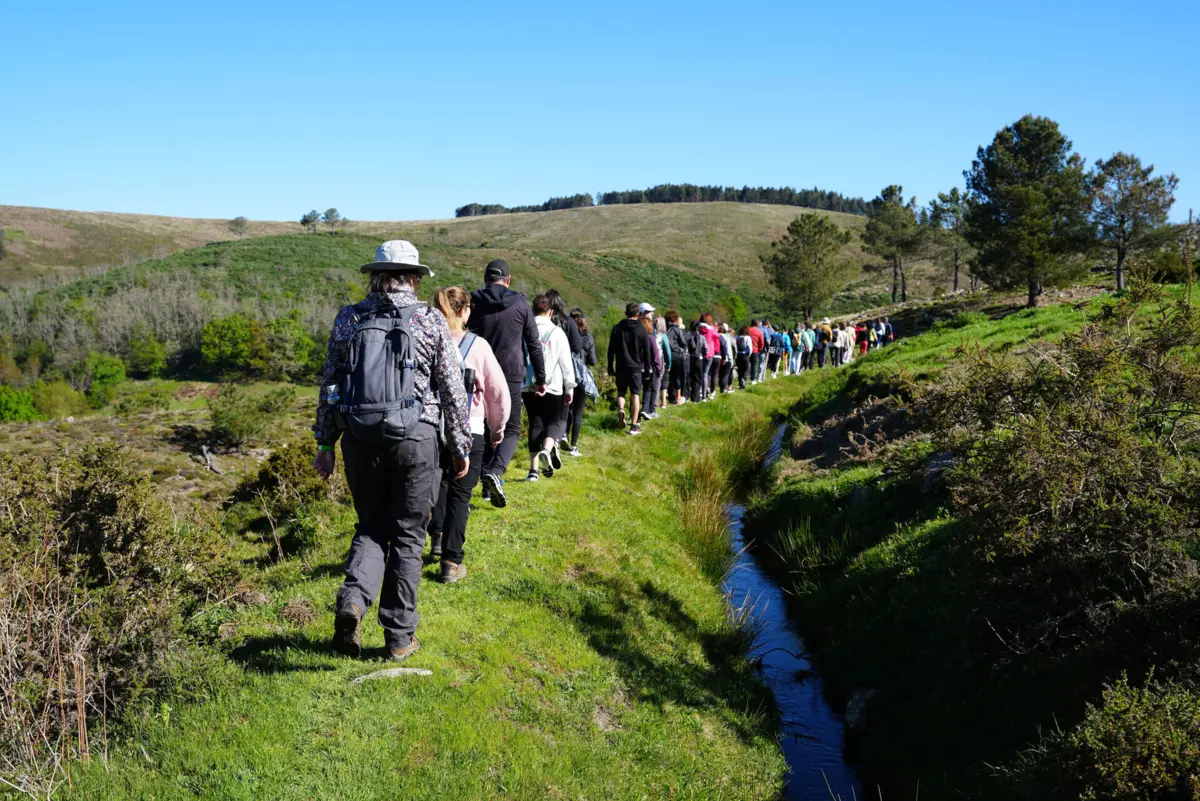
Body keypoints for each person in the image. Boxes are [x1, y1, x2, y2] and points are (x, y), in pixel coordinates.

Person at [313, 240, 471, 662]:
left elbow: (330, 385)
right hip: (416, 440)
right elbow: (453, 391)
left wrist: (326, 443)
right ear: (414, 279)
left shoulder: (349, 319)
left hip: (360, 440)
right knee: (407, 535)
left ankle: (352, 601)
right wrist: (460, 446)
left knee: (370, 526)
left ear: (374, 277)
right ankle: (399, 638)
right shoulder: (430, 319)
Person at [426, 286, 511, 583]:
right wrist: (497, 430)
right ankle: (451, 561)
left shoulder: (425, 340)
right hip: (471, 428)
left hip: (430, 426)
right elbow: (498, 393)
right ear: (465, 311)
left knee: (439, 484)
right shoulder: (478, 346)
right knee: (461, 495)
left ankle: (436, 536)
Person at [468, 258, 546, 509]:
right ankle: (495, 472)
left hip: (478, 371)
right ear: (508, 279)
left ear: (485, 278)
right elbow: (533, 343)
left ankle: (484, 481)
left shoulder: (474, 301)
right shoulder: (521, 304)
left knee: (481, 426)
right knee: (510, 429)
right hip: (511, 373)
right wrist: (541, 378)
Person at [524, 294, 576, 480]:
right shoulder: (557, 333)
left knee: (535, 423)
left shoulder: (525, 330)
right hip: (553, 386)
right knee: (553, 421)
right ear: (550, 311)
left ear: (533, 309)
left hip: (528, 385)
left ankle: (533, 471)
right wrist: (569, 387)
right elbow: (566, 364)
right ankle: (547, 449)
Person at [546, 289, 583, 451]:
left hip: (544, 371)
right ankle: (556, 438)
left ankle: (546, 440)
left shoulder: (541, 320)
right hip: (563, 371)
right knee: (562, 411)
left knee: (544, 413)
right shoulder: (569, 322)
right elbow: (577, 346)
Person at [608, 302, 652, 435]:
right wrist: (648, 368)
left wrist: (610, 365)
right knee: (635, 395)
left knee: (621, 392)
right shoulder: (641, 330)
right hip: (635, 367)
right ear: (637, 315)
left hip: (621, 366)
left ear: (625, 313)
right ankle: (634, 425)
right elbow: (647, 351)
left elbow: (611, 350)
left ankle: (621, 409)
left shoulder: (617, 328)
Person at [566, 309, 596, 456]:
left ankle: (562, 437)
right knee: (578, 413)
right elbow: (593, 361)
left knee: (567, 409)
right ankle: (574, 447)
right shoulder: (588, 338)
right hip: (582, 377)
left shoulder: (565, 336)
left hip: (567, 376)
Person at [639, 311, 663, 421]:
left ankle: (633, 412)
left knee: (637, 391)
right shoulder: (651, 339)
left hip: (637, 367)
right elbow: (656, 356)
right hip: (649, 368)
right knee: (647, 389)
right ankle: (645, 409)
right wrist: (658, 368)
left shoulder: (637, 338)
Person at [665, 310, 689, 405]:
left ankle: (669, 397)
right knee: (677, 377)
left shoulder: (666, 330)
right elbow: (683, 343)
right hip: (676, 355)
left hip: (667, 355)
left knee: (669, 377)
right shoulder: (678, 330)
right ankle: (678, 397)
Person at [700, 314, 720, 400]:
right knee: (706, 374)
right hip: (709, 354)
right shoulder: (711, 329)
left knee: (700, 374)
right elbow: (717, 335)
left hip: (699, 353)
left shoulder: (698, 328)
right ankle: (704, 395)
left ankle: (700, 392)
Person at [655, 315, 672, 410]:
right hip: (661, 361)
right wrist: (669, 364)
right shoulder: (663, 336)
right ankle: (663, 402)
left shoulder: (652, 333)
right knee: (663, 381)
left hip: (651, 360)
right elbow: (668, 352)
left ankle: (654, 402)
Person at [747, 319, 766, 385]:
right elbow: (762, 343)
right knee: (753, 365)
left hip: (746, 350)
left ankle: (743, 379)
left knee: (745, 365)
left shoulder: (747, 330)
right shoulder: (759, 332)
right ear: (757, 324)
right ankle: (752, 379)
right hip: (755, 350)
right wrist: (759, 349)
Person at [718, 324, 735, 392]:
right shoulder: (726, 337)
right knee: (725, 375)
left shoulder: (716, 336)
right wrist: (731, 360)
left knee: (720, 375)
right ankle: (724, 389)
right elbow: (728, 350)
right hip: (726, 359)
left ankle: (720, 389)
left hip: (717, 357)